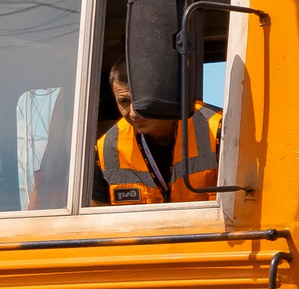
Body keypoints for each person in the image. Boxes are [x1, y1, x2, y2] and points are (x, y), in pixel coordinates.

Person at [95, 58, 221, 203]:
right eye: (124, 101)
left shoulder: (219, 130)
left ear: (166, 93)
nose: (134, 113)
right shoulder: (105, 149)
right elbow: (94, 217)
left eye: (143, 101)